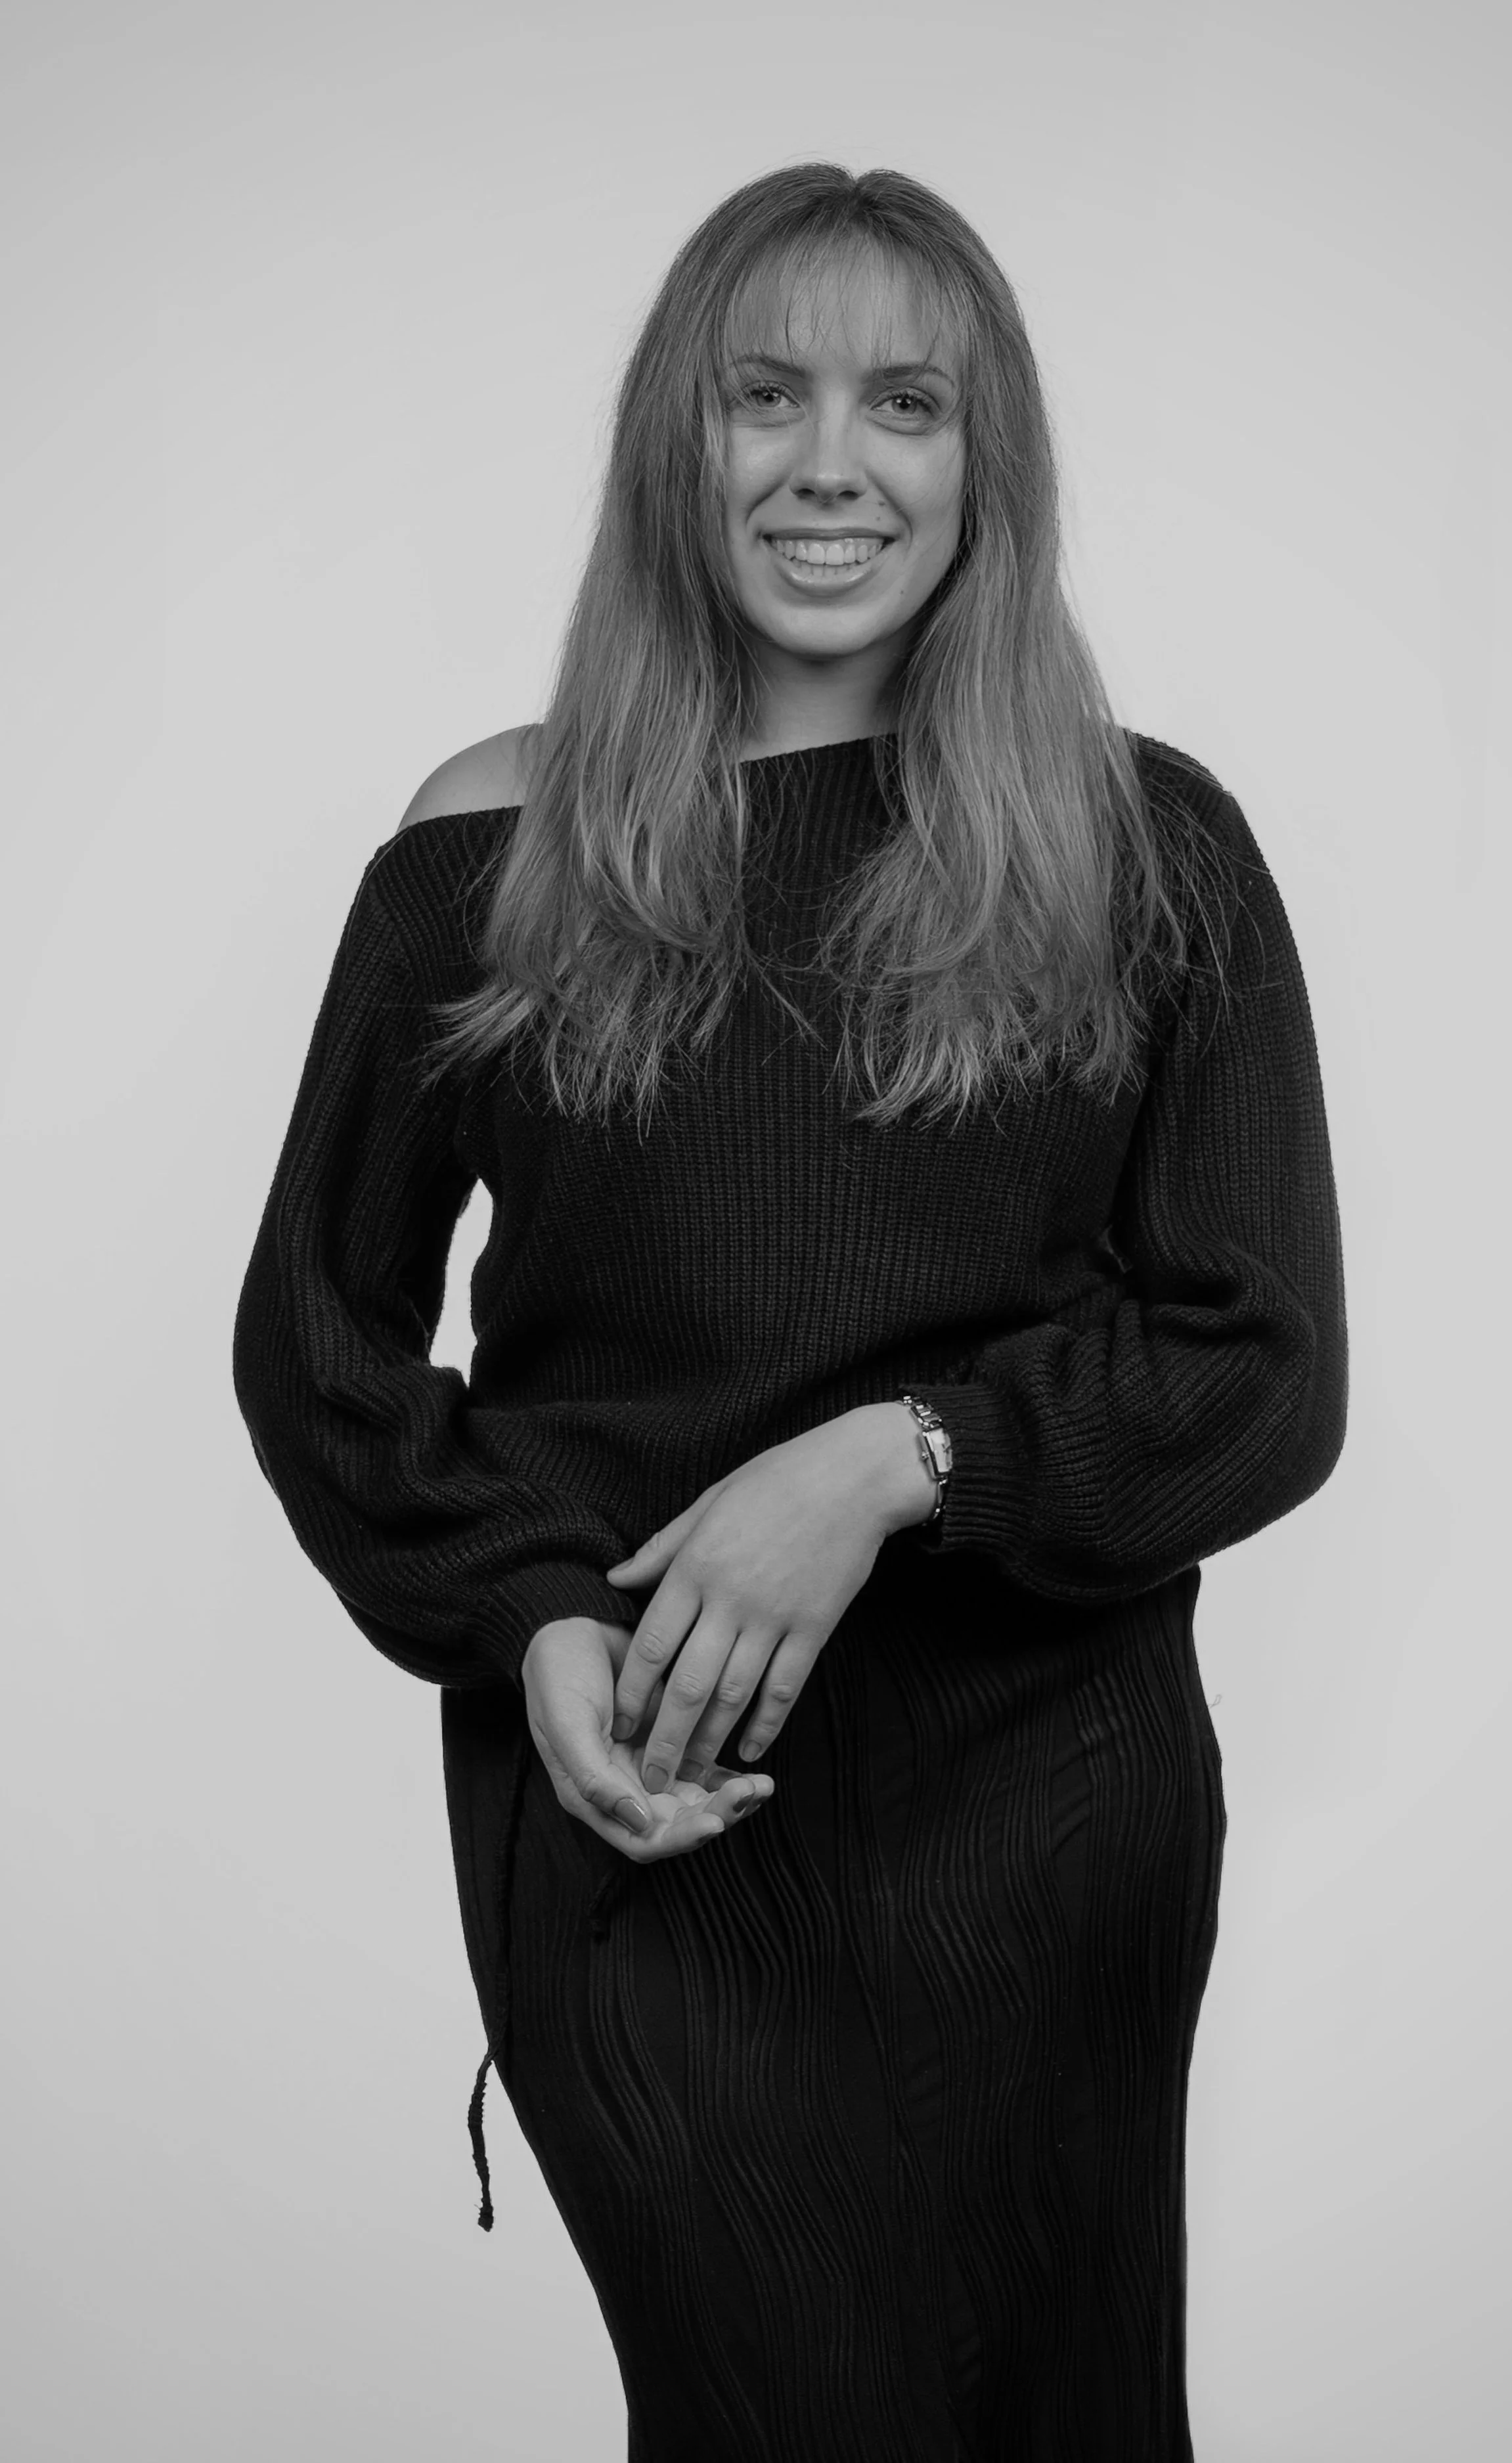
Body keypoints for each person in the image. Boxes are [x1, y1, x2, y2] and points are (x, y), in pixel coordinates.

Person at [233, 161, 1347, 2463]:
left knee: (1070, 2431)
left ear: (982, 466)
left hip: (1047, 1828)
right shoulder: (491, 848)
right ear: (682, 442)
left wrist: (886, 1466)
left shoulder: (1149, 851)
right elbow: (320, 1345)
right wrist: (529, 1614)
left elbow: (1259, 1366)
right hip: (650, 1804)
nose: (829, 461)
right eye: (766, 396)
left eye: (902, 403)